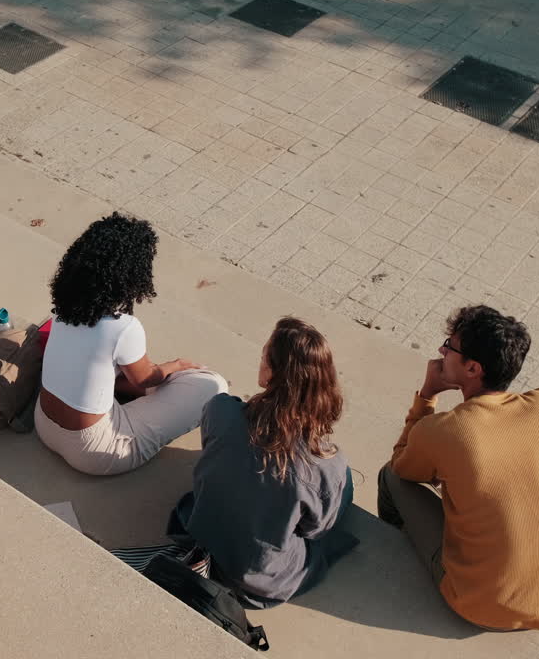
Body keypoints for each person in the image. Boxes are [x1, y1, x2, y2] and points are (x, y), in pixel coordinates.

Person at [378, 305, 539, 631]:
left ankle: (394, 554)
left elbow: (402, 466)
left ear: (473, 369)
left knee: (390, 477)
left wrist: (427, 396)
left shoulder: (441, 430)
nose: (441, 350)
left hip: (484, 604)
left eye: (449, 346)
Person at [170, 317, 357, 609]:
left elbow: (210, 444)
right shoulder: (324, 466)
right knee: (344, 481)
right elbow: (314, 530)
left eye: (264, 356)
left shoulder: (221, 411)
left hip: (203, 536)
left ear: (272, 373)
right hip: (258, 578)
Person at [36, 212, 227, 476]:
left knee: (110, 366)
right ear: (133, 273)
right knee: (212, 384)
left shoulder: (62, 309)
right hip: (93, 453)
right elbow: (146, 379)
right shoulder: (123, 327)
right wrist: (176, 365)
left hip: (43, 424)